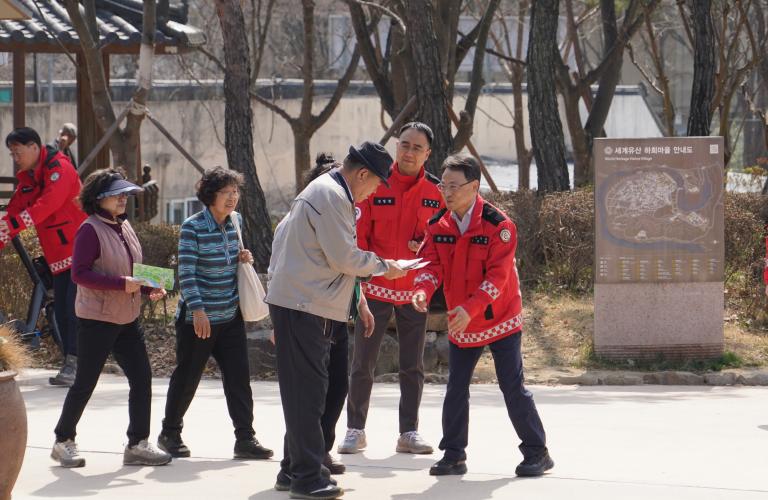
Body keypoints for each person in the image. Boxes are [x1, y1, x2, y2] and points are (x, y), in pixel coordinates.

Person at [266, 141, 407, 500]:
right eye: (376, 184)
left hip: (309, 303)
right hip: (304, 305)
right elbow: (345, 257)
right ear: (362, 174)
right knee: (307, 395)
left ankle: (295, 468)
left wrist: (357, 300)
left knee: (315, 392)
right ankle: (307, 477)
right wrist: (384, 267)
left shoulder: (327, 192)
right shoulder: (331, 196)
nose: (374, 192)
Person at [411, 154, 554, 477]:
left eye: (454, 186)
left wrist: (470, 309)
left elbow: (498, 278)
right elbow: (429, 266)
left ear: (474, 186)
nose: (446, 193)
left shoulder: (498, 225)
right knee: (456, 387)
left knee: (512, 385)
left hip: (500, 317)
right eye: (442, 186)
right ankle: (453, 454)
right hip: (462, 319)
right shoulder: (437, 225)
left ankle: (537, 452)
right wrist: (421, 289)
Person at [50, 167, 171, 468]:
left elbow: (131, 270)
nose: (122, 199)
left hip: (127, 317)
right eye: (116, 194)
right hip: (97, 319)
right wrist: (122, 284)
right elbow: (80, 274)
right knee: (85, 383)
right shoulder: (90, 229)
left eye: (125, 194)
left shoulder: (123, 225)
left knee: (142, 378)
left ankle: (138, 444)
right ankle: (63, 440)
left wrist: (147, 288)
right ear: (98, 198)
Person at [341, 122, 443, 455]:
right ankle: (355, 429)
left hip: (416, 290)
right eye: (404, 145)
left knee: (413, 364)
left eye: (417, 148)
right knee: (362, 362)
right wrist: (368, 277)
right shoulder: (377, 183)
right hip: (376, 286)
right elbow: (361, 235)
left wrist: (423, 252)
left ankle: (409, 432)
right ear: (396, 147)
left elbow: (441, 244)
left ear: (428, 153)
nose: (409, 152)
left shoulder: (437, 192)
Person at [158, 167, 273, 461]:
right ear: (210, 195)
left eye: (236, 191)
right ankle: (170, 433)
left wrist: (241, 257)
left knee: (239, 379)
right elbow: (187, 271)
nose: (233, 197)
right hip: (200, 319)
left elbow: (229, 258)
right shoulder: (192, 227)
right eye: (226, 192)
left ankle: (245, 439)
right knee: (188, 377)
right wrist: (197, 310)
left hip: (230, 316)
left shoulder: (236, 221)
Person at [0, 127, 86, 387]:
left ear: (35, 147)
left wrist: (13, 225)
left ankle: (77, 364)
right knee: (61, 312)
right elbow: (15, 207)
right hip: (57, 255)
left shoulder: (60, 168)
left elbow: (47, 204)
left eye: (18, 152)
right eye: (12, 153)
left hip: (79, 250)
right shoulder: (28, 178)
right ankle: (74, 362)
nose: (15, 157)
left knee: (73, 311)